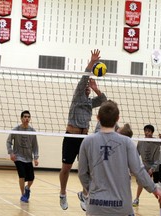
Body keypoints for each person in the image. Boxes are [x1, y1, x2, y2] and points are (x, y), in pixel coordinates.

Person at [78, 100, 161, 215]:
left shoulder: (87, 141)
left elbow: (82, 173)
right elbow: (138, 170)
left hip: (95, 206)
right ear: (117, 118)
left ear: (97, 118)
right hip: (121, 206)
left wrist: (92, 190)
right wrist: (153, 189)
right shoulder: (127, 142)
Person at [59, 49, 107, 211]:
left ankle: (84, 194)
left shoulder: (89, 102)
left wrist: (95, 88)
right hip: (71, 137)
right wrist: (92, 62)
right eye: (86, 86)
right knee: (66, 168)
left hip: (85, 139)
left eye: (88, 87)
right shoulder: (77, 97)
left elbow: (104, 101)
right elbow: (85, 77)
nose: (86, 87)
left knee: (87, 170)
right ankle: (63, 193)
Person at [6, 110, 39, 203]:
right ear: (21, 118)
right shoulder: (16, 130)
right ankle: (23, 194)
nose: (26, 118)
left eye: (28, 117)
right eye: (25, 117)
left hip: (28, 158)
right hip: (18, 157)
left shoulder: (32, 131)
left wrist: (36, 157)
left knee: (31, 178)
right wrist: (11, 153)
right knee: (22, 176)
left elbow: (35, 146)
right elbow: (8, 142)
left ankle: (27, 188)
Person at [132, 124, 160, 207]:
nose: (147, 133)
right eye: (145, 131)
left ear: (152, 132)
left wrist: (152, 169)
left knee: (157, 186)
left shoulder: (156, 143)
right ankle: (136, 199)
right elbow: (136, 155)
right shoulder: (141, 142)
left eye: (149, 131)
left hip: (156, 167)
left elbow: (158, 159)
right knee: (141, 183)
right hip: (144, 167)